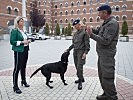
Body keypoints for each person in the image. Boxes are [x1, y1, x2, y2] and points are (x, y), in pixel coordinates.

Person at [87, 5, 119, 100]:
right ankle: (106, 94)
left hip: (107, 55)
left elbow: (105, 41)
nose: (98, 14)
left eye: (99, 12)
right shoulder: (105, 23)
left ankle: (112, 97)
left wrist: (91, 35)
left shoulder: (112, 23)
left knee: (107, 76)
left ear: (105, 13)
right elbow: (100, 33)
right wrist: (91, 30)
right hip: (102, 55)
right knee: (102, 75)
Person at [66, 19, 90, 90]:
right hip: (75, 52)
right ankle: (81, 78)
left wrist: (85, 53)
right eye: (74, 26)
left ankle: (80, 82)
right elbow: (73, 44)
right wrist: (68, 49)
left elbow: (87, 44)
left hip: (81, 52)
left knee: (80, 67)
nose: (75, 27)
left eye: (76, 26)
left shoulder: (84, 33)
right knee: (77, 66)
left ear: (80, 25)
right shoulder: (75, 34)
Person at [10, 16, 31, 94]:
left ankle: (23, 81)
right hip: (19, 51)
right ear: (17, 22)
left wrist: (28, 40)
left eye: (23, 21)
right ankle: (15, 86)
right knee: (17, 68)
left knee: (23, 66)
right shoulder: (15, 30)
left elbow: (24, 39)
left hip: (25, 50)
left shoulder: (23, 31)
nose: (23, 22)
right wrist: (22, 42)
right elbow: (12, 42)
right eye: (21, 21)